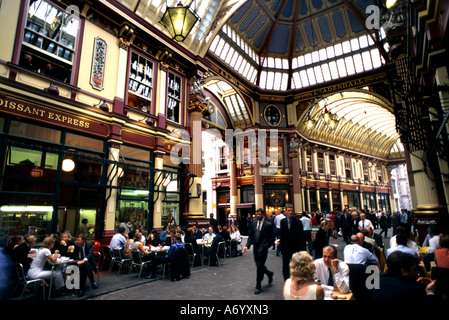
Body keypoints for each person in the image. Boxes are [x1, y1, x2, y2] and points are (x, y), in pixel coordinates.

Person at [372, 251, 437, 300]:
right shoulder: (412, 290)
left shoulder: (378, 281)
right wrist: (430, 292)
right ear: (404, 271)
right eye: (414, 269)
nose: (418, 273)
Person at [243, 208, 275, 294]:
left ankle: (258, 285)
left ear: (263, 215)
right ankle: (269, 273)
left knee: (259, 266)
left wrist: (266, 246)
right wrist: (247, 246)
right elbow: (251, 236)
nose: (257, 216)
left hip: (263, 249)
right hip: (256, 248)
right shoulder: (253, 223)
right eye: (256, 214)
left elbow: (271, 238)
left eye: (259, 214)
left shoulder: (268, 225)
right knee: (259, 265)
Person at [276, 203, 305, 280]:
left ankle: (295, 282)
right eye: (288, 210)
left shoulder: (298, 222)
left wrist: (302, 251)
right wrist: (280, 243)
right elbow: (282, 234)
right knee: (285, 268)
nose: (290, 212)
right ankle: (286, 282)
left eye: (292, 210)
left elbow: (301, 237)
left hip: (295, 249)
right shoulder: (283, 221)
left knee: (296, 268)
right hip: (285, 249)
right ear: (285, 211)